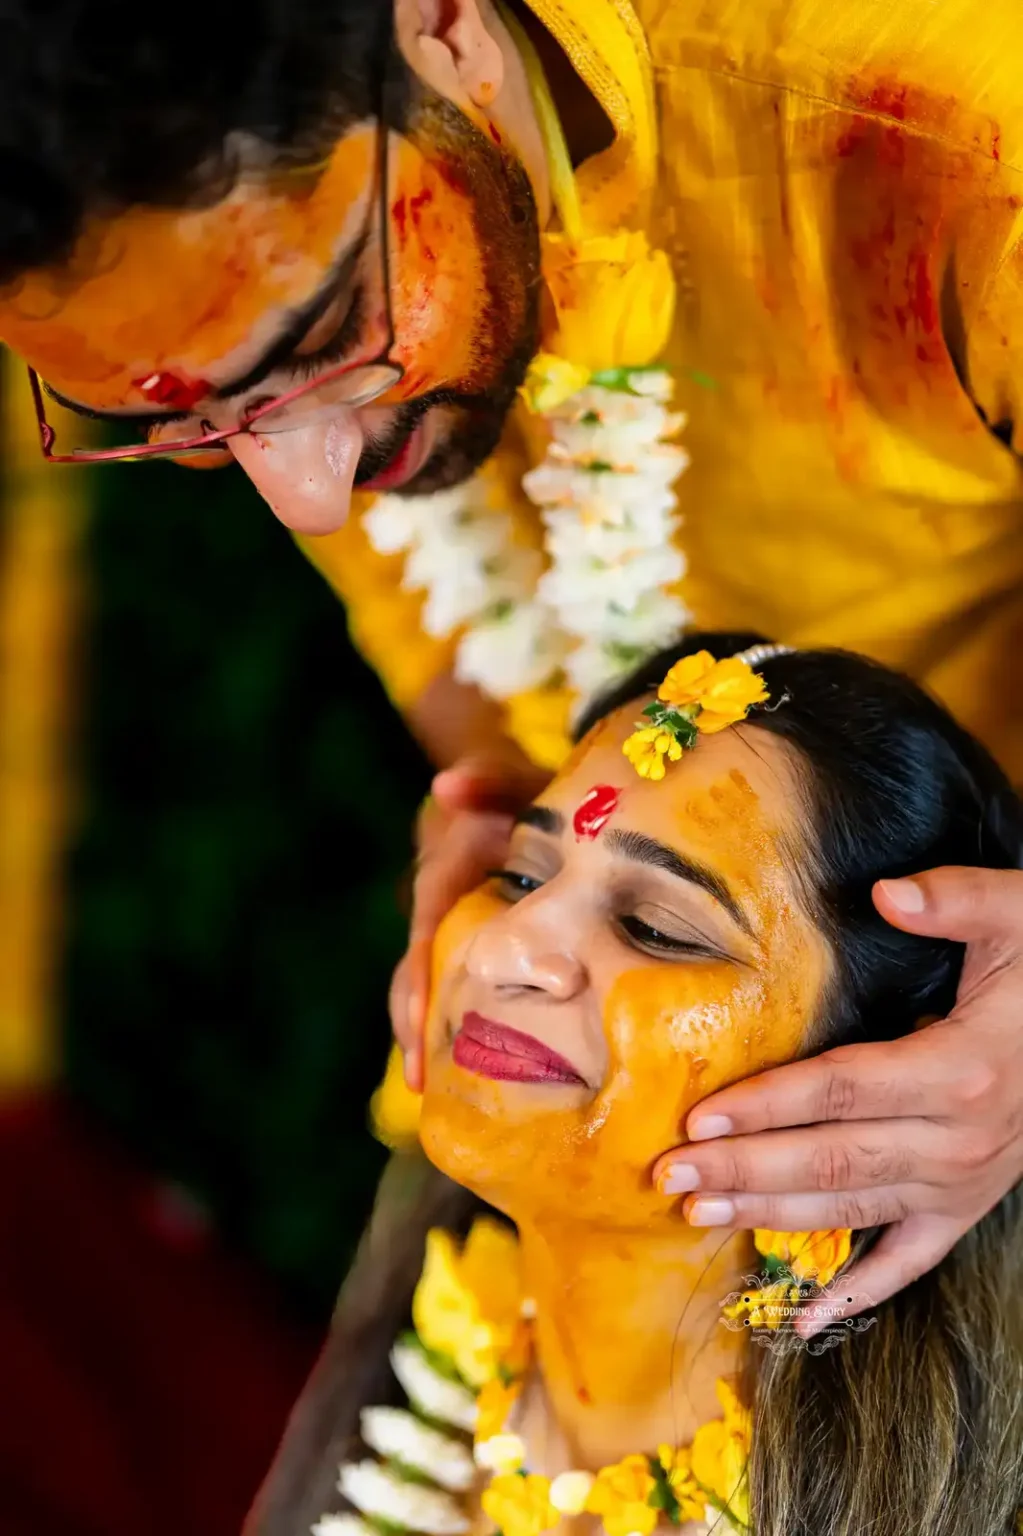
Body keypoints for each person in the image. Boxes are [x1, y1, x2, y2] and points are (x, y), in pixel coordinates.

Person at [4, 0, 1023, 1304]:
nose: (309, 496)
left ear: (435, 23)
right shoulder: (255, 287)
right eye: (187, 425)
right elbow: (413, 583)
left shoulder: (944, 139)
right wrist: (507, 802)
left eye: (323, 344)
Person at [249, 634, 1023, 1535]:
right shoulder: (424, 1380)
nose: (504, 945)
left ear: (904, 1082)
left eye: (656, 928)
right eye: (519, 876)